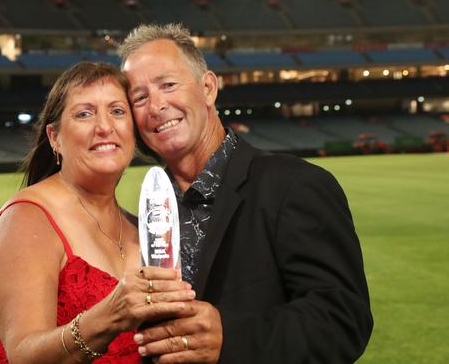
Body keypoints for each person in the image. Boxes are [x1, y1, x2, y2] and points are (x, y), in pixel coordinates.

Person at [118, 23, 373, 363]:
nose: (156, 105)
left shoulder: (295, 185)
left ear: (208, 88)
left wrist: (230, 336)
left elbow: (343, 321)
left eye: (168, 85)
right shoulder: (150, 212)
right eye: (140, 97)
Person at [0, 62, 195, 364]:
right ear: (54, 137)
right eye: (84, 113)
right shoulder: (28, 218)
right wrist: (109, 316)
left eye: (118, 112)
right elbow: (22, 355)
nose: (104, 127)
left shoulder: (141, 229)